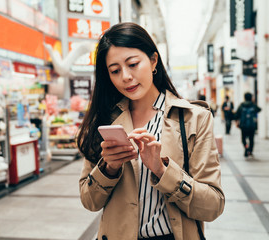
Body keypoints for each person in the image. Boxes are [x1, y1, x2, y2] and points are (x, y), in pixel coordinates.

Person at [77, 22, 224, 240]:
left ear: (153, 60)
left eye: (133, 64)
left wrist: (162, 171)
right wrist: (109, 168)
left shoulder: (194, 119)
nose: (125, 76)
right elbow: (90, 201)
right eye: (115, 71)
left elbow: (213, 205)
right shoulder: (105, 121)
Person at [234, 92, 261, 157]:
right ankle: (250, 151)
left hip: (243, 126)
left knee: (243, 139)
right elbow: (259, 109)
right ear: (251, 98)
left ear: (244, 97)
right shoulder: (253, 105)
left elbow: (236, 115)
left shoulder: (241, 105)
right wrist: (254, 102)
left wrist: (237, 122)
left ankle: (246, 147)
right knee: (251, 139)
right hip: (252, 126)